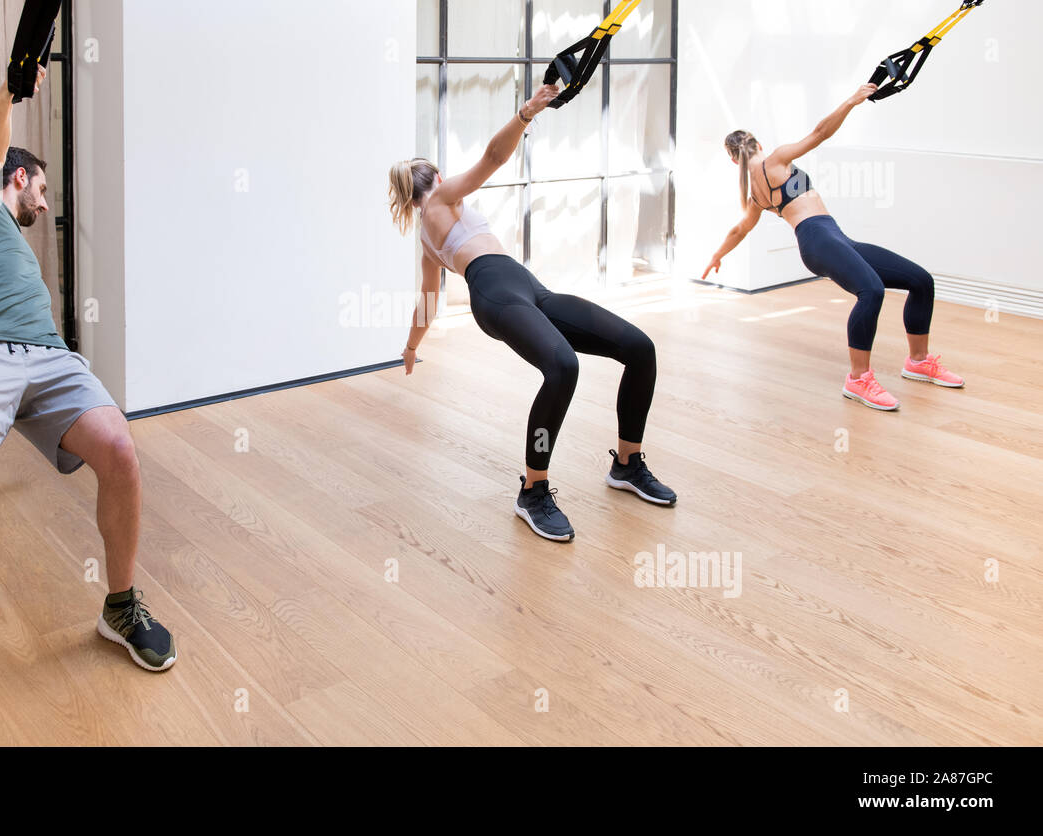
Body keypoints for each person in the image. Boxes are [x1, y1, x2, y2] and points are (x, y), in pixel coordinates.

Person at [0, 65, 175, 732]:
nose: (46, 204)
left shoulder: (11, 242)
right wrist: (8, 93)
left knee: (121, 450)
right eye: (41, 188)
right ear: (16, 177)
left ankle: (120, 605)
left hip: (50, 359)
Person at [388, 84, 676, 543]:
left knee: (639, 348)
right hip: (497, 295)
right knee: (562, 366)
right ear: (438, 179)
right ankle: (533, 489)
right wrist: (524, 115)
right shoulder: (441, 203)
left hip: (530, 289)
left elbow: (427, 300)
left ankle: (627, 464)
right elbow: (494, 158)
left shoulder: (428, 238)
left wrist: (410, 347)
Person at [705, 83, 964, 411]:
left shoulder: (754, 194)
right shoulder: (775, 158)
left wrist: (717, 255)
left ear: (732, 160)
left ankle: (918, 361)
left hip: (833, 238)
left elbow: (740, 229)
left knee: (920, 280)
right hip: (818, 239)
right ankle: (858, 379)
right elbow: (819, 132)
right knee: (871, 291)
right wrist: (852, 100)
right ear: (757, 143)